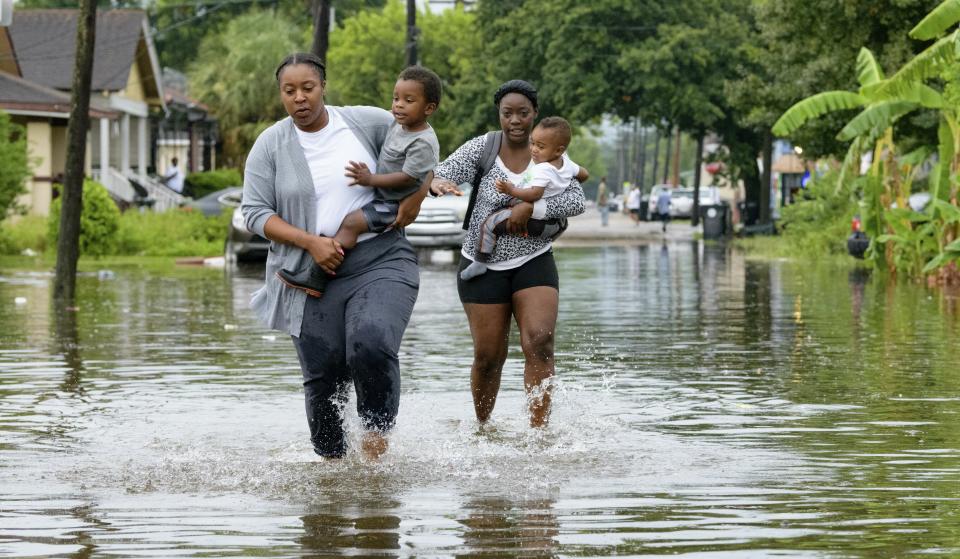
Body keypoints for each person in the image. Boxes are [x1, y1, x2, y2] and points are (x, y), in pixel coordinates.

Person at [241, 53, 430, 460]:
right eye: (289, 91)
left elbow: (422, 150)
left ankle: (376, 449)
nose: (299, 99)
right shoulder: (270, 145)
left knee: (371, 342)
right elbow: (255, 213)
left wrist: (413, 201)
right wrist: (310, 242)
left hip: (380, 260)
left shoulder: (368, 122)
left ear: (323, 87)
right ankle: (332, 477)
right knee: (323, 380)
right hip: (310, 275)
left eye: (307, 88)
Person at [430, 80, 585, 427]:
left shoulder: (552, 154)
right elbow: (439, 173)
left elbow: (576, 201)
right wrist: (436, 184)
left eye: (523, 113)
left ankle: (538, 436)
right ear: (499, 115)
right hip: (482, 264)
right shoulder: (482, 148)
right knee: (488, 357)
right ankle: (484, 429)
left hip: (534, 260)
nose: (515, 120)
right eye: (507, 113)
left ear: (535, 115)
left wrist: (532, 208)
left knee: (540, 342)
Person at [276, 65, 442, 297]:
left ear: (429, 108)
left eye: (409, 100)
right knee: (349, 223)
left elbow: (409, 176)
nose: (398, 105)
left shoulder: (422, 141)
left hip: (394, 202)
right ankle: (324, 263)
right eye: (396, 98)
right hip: (384, 198)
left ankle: (317, 275)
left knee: (353, 223)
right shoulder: (397, 123)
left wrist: (371, 179)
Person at [460, 116, 588, 281]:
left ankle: (480, 262)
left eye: (540, 147)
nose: (534, 149)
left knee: (489, 224)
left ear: (558, 150)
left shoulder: (544, 169)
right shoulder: (566, 164)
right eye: (533, 143)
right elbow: (584, 174)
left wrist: (511, 190)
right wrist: (564, 182)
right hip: (550, 223)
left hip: (532, 216)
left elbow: (534, 195)